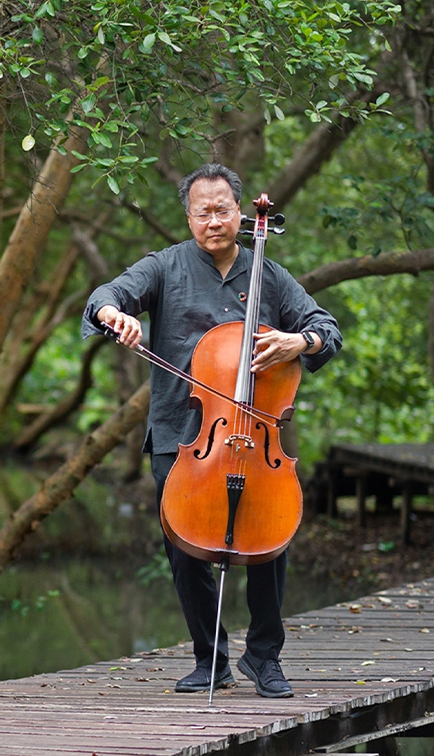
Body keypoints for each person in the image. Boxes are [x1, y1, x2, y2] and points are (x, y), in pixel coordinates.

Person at [81, 163, 342, 698]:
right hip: (183, 434)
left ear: (240, 212)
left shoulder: (267, 273)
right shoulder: (166, 267)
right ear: (189, 215)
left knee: (271, 543)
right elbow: (107, 293)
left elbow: (327, 328)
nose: (214, 221)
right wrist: (116, 314)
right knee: (186, 551)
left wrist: (300, 343)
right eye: (203, 212)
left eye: (223, 210)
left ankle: (264, 657)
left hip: (256, 436)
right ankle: (211, 658)